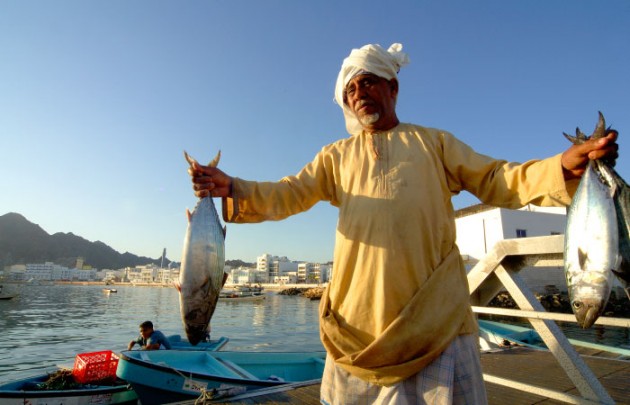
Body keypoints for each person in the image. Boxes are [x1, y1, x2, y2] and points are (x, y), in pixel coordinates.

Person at [187, 43, 618, 404]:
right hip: (354, 332)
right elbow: (288, 193)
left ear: (392, 87)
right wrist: (232, 187)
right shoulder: (335, 156)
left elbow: (497, 178)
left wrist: (560, 166)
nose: (359, 93)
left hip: (437, 325)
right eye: (351, 88)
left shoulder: (434, 143)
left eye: (369, 81)